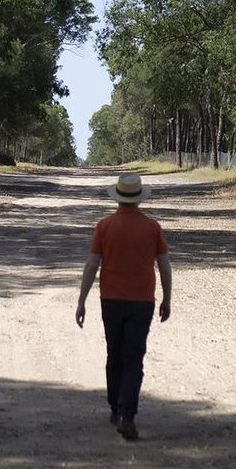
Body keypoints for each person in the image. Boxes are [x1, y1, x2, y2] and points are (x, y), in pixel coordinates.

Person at [75, 171, 172, 442]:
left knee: (114, 354)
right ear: (139, 199)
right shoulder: (152, 227)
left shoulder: (104, 226)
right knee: (134, 357)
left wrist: (82, 301)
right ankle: (126, 414)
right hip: (142, 302)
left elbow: (92, 265)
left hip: (111, 300)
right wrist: (167, 297)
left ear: (118, 198)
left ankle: (115, 408)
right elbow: (164, 265)